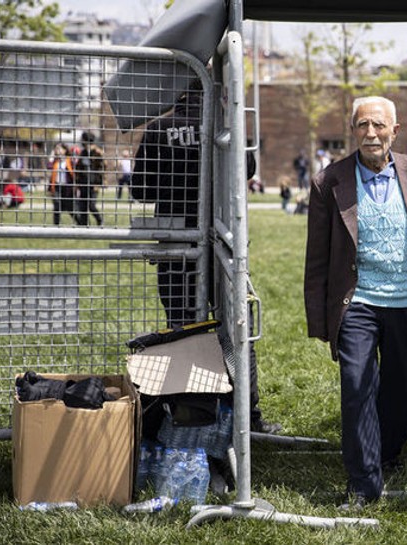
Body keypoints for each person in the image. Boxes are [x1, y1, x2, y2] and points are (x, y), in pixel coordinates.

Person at [304, 96, 407, 509]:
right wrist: (320, 319)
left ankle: (387, 452)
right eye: (362, 125)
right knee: (357, 385)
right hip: (358, 300)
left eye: (378, 125)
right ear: (353, 130)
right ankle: (363, 483)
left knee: (403, 387)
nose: (370, 133)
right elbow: (317, 256)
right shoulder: (328, 181)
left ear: (396, 130)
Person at [132, 80, 280, 435]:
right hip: (223, 241)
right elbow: (246, 171)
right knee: (236, 331)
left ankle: (189, 419)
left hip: (177, 244)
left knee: (183, 330)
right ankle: (248, 418)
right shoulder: (228, 125)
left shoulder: (159, 128)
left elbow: (139, 188)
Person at [75, 132, 104, 226]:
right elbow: (78, 168)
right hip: (83, 183)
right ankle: (84, 224)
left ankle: (99, 220)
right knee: (82, 205)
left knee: (91, 205)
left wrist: (98, 183)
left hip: (93, 184)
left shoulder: (97, 153)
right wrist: (77, 182)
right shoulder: (83, 153)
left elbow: (102, 168)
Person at [48, 142, 79, 226]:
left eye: (59, 149)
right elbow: (49, 167)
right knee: (57, 206)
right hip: (57, 186)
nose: (57, 151)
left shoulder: (69, 160)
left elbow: (75, 171)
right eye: (56, 149)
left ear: (65, 150)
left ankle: (80, 222)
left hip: (67, 187)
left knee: (70, 207)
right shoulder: (55, 161)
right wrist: (51, 157)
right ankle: (56, 225)